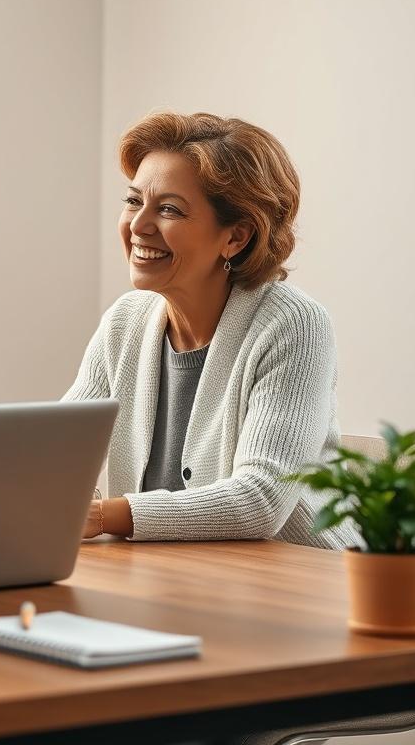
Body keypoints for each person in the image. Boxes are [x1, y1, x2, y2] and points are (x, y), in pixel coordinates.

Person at [69, 111, 359, 549]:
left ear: (236, 238)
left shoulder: (293, 324)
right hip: (173, 578)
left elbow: (259, 499)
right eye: (133, 201)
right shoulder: (125, 322)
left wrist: (104, 515)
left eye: (168, 209)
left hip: (305, 584)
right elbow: (57, 456)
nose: (138, 225)